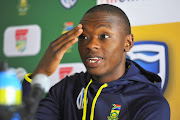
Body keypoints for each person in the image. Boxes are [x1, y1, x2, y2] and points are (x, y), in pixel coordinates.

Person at [22, 4, 170, 120]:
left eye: (104, 36)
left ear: (128, 43)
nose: (90, 45)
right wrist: (41, 72)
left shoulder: (150, 103)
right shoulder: (67, 89)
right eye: (83, 37)